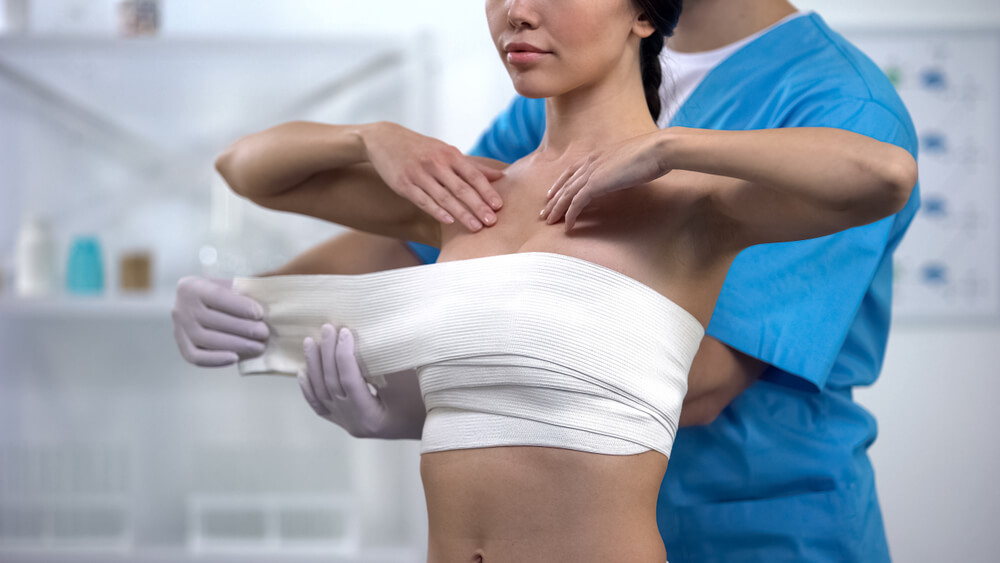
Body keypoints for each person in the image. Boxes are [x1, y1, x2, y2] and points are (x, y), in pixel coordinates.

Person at [172, 1, 921, 562]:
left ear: (639, 14)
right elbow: (441, 251)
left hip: (755, 527)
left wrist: (424, 398)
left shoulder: (810, 120)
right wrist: (263, 302)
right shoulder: (532, 124)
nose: (516, 11)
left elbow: (694, 376)